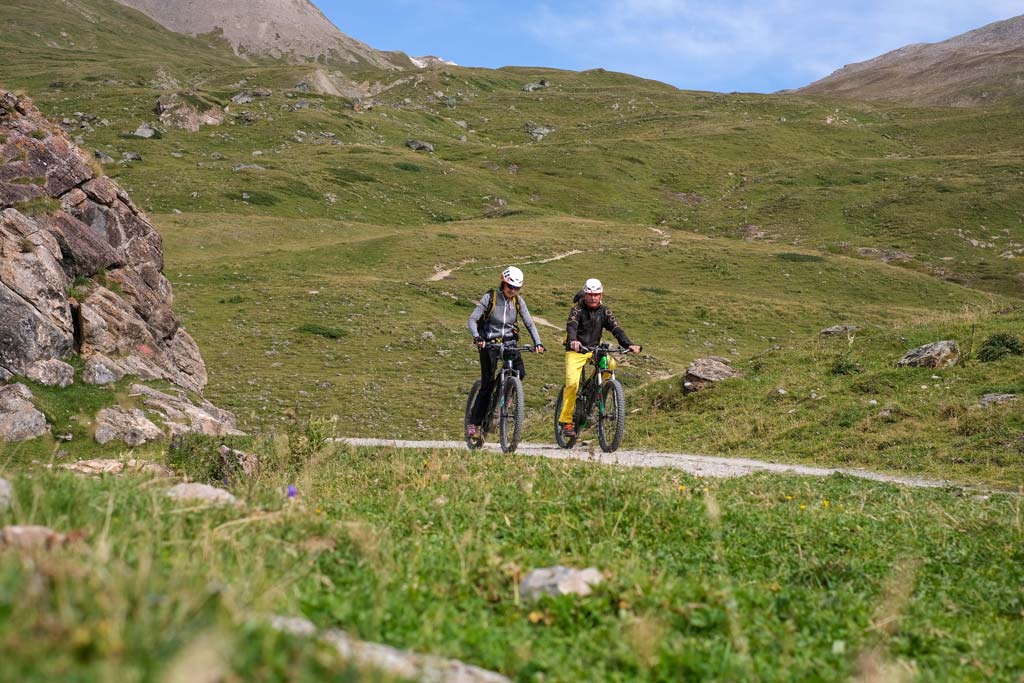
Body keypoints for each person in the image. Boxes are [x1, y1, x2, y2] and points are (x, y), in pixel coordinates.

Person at [466, 266, 545, 437]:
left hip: (509, 343)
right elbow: (472, 320)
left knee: (520, 372)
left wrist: (538, 342)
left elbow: (529, 323)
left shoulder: (518, 301)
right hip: (489, 343)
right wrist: (477, 337)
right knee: (487, 384)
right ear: (503, 283)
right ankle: (474, 423)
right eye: (510, 287)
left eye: (517, 288)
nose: (513, 291)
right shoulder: (490, 297)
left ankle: (507, 389)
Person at [559, 278, 641, 438]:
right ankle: (566, 421)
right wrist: (573, 340)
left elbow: (616, 328)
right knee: (572, 384)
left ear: (601, 294)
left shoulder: (605, 311)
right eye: (590, 294)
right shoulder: (577, 310)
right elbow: (572, 326)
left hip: (593, 350)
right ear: (585, 294)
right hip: (576, 350)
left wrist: (628, 344)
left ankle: (594, 389)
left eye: (596, 294)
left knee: (610, 364)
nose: (593, 298)